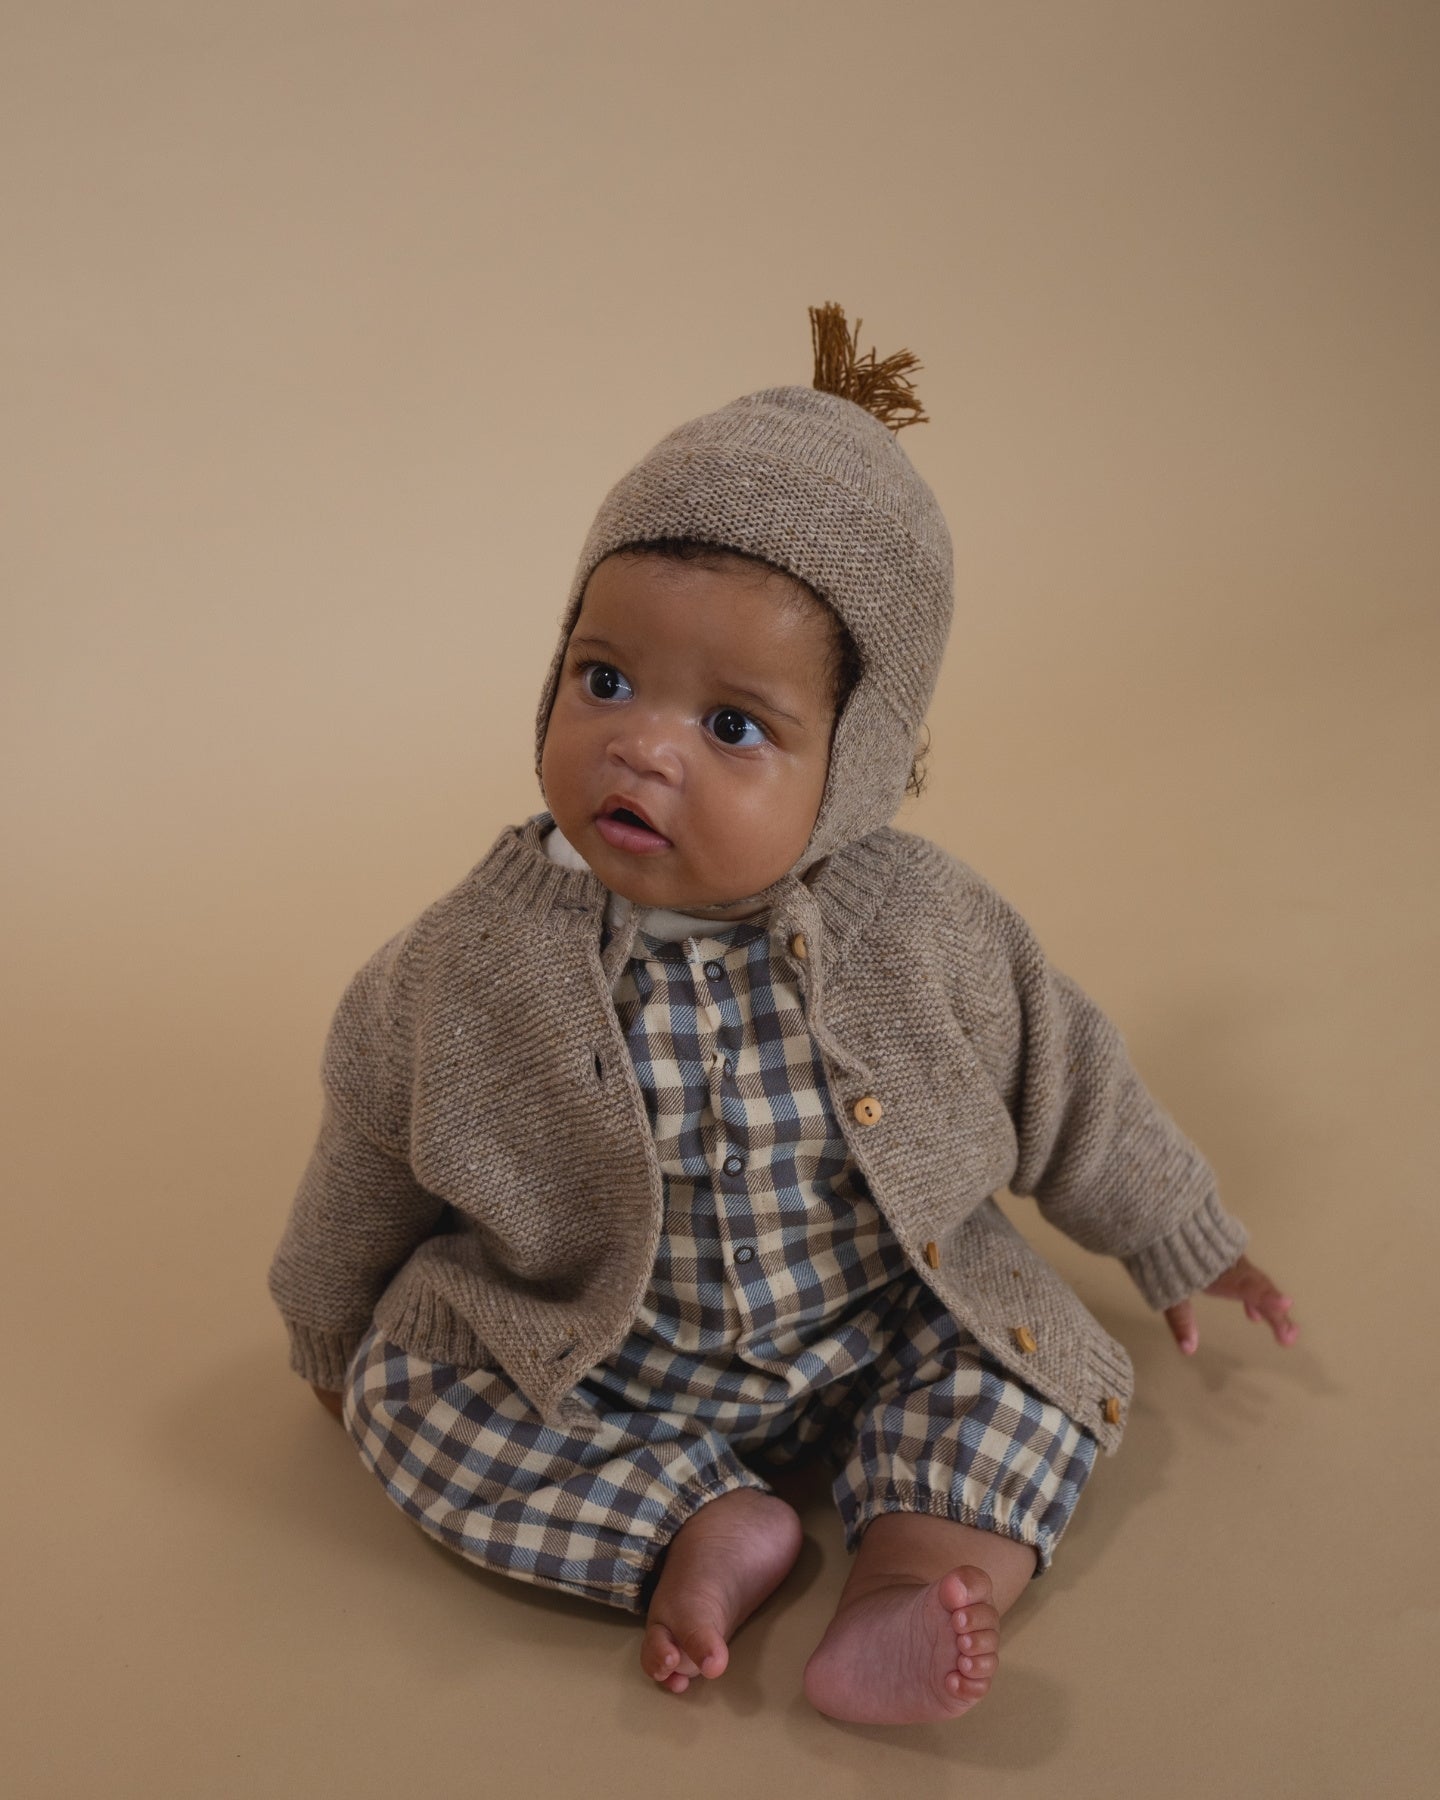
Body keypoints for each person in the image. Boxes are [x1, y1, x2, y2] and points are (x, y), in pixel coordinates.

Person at [268, 306, 1298, 1725]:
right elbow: (369, 1152)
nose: (641, 743)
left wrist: (1176, 1229)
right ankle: (688, 1528)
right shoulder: (466, 965)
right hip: (605, 1353)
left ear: (860, 766)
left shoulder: (924, 926)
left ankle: (913, 1577)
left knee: (1024, 1380)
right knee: (411, 1393)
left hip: (885, 1313)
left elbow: (1067, 1076)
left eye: (734, 726)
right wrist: (326, 1331)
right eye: (606, 679)